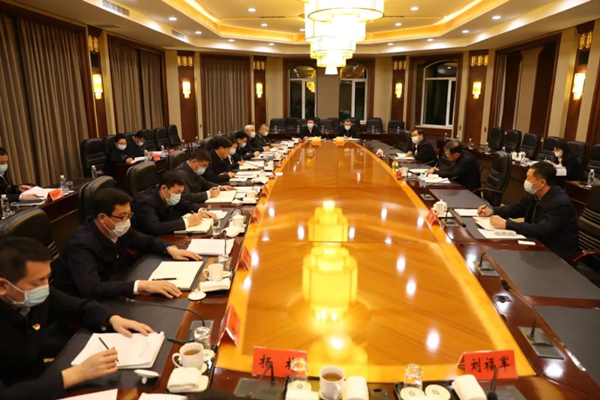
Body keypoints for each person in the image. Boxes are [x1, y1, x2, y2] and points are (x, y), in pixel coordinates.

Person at [0, 236, 153, 400]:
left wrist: (113, 319)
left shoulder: (31, 295)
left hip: (40, 377)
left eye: (47, 277)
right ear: (3, 286)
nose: (46, 287)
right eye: (39, 281)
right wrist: (76, 374)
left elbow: (78, 307)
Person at [52, 188, 201, 300]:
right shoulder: (81, 245)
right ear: (103, 218)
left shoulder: (117, 229)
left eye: (129, 215)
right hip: (86, 306)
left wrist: (169, 249)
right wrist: (140, 286)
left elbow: (147, 241)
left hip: (119, 285)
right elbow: (92, 288)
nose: (127, 221)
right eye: (122, 216)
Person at [477, 162, 579, 260]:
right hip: (536, 241)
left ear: (542, 182)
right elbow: (517, 208)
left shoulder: (560, 203)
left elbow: (542, 230)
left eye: (529, 178)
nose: (526, 181)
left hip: (555, 251)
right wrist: (492, 211)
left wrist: (507, 224)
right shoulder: (535, 193)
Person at [132, 171, 216, 236]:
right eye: (177, 192)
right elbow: (156, 227)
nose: (179, 195)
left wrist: (200, 210)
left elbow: (186, 204)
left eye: (181, 192)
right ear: (164, 188)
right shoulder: (145, 202)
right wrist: (187, 222)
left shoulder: (168, 195)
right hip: (147, 243)